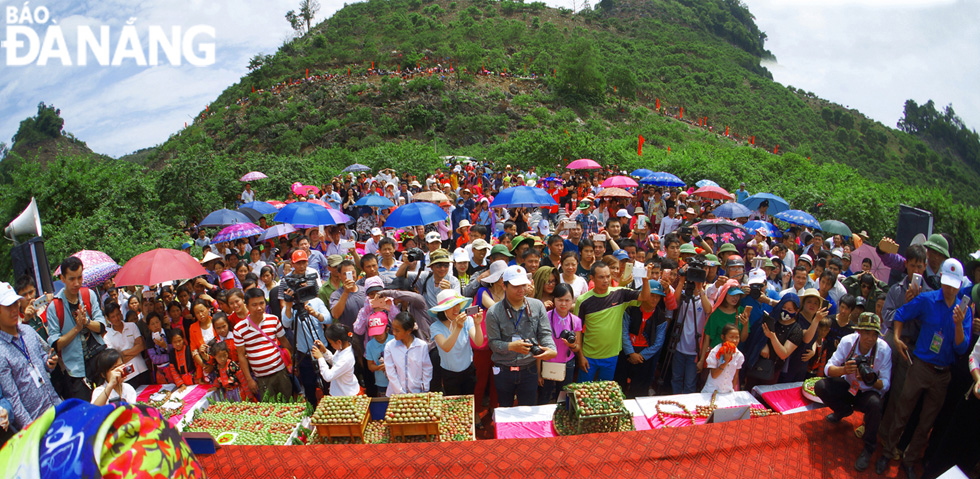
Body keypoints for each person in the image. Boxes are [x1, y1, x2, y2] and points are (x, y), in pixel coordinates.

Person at [876, 259, 972, 478]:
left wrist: (958, 324)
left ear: (959, 285)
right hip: (920, 366)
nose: (950, 288)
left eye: (954, 284)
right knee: (903, 411)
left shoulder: (963, 311)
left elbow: (961, 348)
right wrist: (898, 338)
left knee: (926, 421)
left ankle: (909, 460)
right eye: (946, 283)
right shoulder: (928, 300)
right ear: (941, 280)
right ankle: (887, 452)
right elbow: (901, 314)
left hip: (942, 374)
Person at [815, 312, 891, 472]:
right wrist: (844, 369)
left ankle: (869, 447)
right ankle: (843, 410)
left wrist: (869, 379)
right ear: (859, 332)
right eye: (867, 333)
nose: (870, 338)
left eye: (874, 334)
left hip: (867, 392)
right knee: (821, 386)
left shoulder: (884, 350)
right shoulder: (847, 341)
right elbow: (828, 369)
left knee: (876, 405)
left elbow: (886, 384)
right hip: (848, 385)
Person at [485, 265, 557, 406]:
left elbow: (545, 333)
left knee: (528, 411)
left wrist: (551, 349)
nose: (521, 289)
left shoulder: (537, 306)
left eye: (524, 285)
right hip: (504, 370)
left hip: (529, 369)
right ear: (504, 285)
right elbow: (493, 343)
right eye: (516, 285)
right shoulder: (493, 312)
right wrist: (511, 346)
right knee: (505, 408)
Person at [576, 261, 655, 382]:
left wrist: (646, 279)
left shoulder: (620, 293)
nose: (606, 280)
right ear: (592, 278)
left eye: (608, 276)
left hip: (611, 356)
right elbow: (577, 330)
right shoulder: (583, 301)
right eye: (601, 277)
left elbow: (644, 297)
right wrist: (580, 356)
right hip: (589, 356)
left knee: (605, 394)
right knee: (584, 392)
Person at [0, 281, 61, 431]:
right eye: (8, 307)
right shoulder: (1, 351)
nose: (14, 310)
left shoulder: (27, 331)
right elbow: (13, 398)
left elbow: (42, 359)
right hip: (36, 423)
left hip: (56, 407)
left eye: (15, 304)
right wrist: (31, 432)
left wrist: (49, 363)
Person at [46, 256, 107, 400]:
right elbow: (56, 344)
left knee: (109, 403)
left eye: (79, 278)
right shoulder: (54, 307)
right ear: (62, 278)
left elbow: (102, 327)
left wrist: (86, 322)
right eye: (71, 279)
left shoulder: (89, 294)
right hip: (75, 369)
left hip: (98, 359)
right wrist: (76, 328)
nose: (77, 283)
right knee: (86, 411)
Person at [233, 288, 293, 400]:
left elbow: (285, 343)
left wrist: (292, 362)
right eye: (254, 305)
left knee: (289, 405)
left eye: (261, 303)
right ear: (247, 306)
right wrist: (249, 380)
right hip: (261, 378)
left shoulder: (274, 320)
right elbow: (241, 356)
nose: (259, 308)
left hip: (281, 373)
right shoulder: (239, 329)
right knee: (269, 411)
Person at [429, 290, 485, 396]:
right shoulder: (435, 327)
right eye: (451, 306)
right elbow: (446, 347)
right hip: (449, 373)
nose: (456, 309)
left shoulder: (467, 320)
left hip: (469, 370)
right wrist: (458, 327)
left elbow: (478, 342)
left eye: (457, 305)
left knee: (468, 400)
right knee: (454, 404)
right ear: (443, 309)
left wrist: (477, 324)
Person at [538, 284, 583, 404]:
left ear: (572, 300)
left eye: (567, 300)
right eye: (560, 300)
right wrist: (538, 373)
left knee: (562, 398)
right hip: (548, 363)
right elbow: (539, 345)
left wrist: (572, 345)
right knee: (544, 396)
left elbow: (578, 346)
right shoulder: (545, 317)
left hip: (567, 364)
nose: (563, 304)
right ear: (554, 300)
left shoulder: (576, 321)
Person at [383, 312, 432, 395]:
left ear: (408, 331)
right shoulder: (390, 346)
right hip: (395, 394)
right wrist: (400, 392)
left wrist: (424, 389)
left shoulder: (421, 346)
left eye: (397, 330)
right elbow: (391, 372)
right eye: (393, 329)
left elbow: (427, 368)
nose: (394, 332)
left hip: (417, 393)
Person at [101, 303, 150, 387]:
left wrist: (122, 353)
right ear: (108, 319)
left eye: (117, 314)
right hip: (126, 376)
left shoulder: (132, 326)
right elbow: (115, 360)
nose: (116, 318)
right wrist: (134, 350)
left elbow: (141, 346)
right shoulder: (107, 337)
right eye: (113, 317)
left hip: (141, 368)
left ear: (121, 313)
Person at [311, 323, 360, 396]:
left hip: (346, 394)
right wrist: (324, 351)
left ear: (339, 342)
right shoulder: (342, 348)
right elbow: (335, 362)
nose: (331, 345)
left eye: (331, 343)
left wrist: (320, 358)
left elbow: (328, 376)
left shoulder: (347, 358)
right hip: (339, 391)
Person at [703, 324, 745, 394]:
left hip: (727, 392)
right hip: (711, 391)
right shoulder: (715, 352)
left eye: (737, 337)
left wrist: (732, 392)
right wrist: (725, 362)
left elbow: (735, 376)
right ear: (723, 337)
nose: (734, 340)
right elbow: (714, 375)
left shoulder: (739, 355)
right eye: (731, 337)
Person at [364, 312, 394, 397]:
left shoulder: (394, 341)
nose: (377, 336)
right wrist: (380, 367)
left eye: (379, 332)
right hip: (381, 383)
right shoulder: (370, 345)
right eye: (374, 333)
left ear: (387, 329)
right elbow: (370, 366)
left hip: (396, 380)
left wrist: (389, 366)